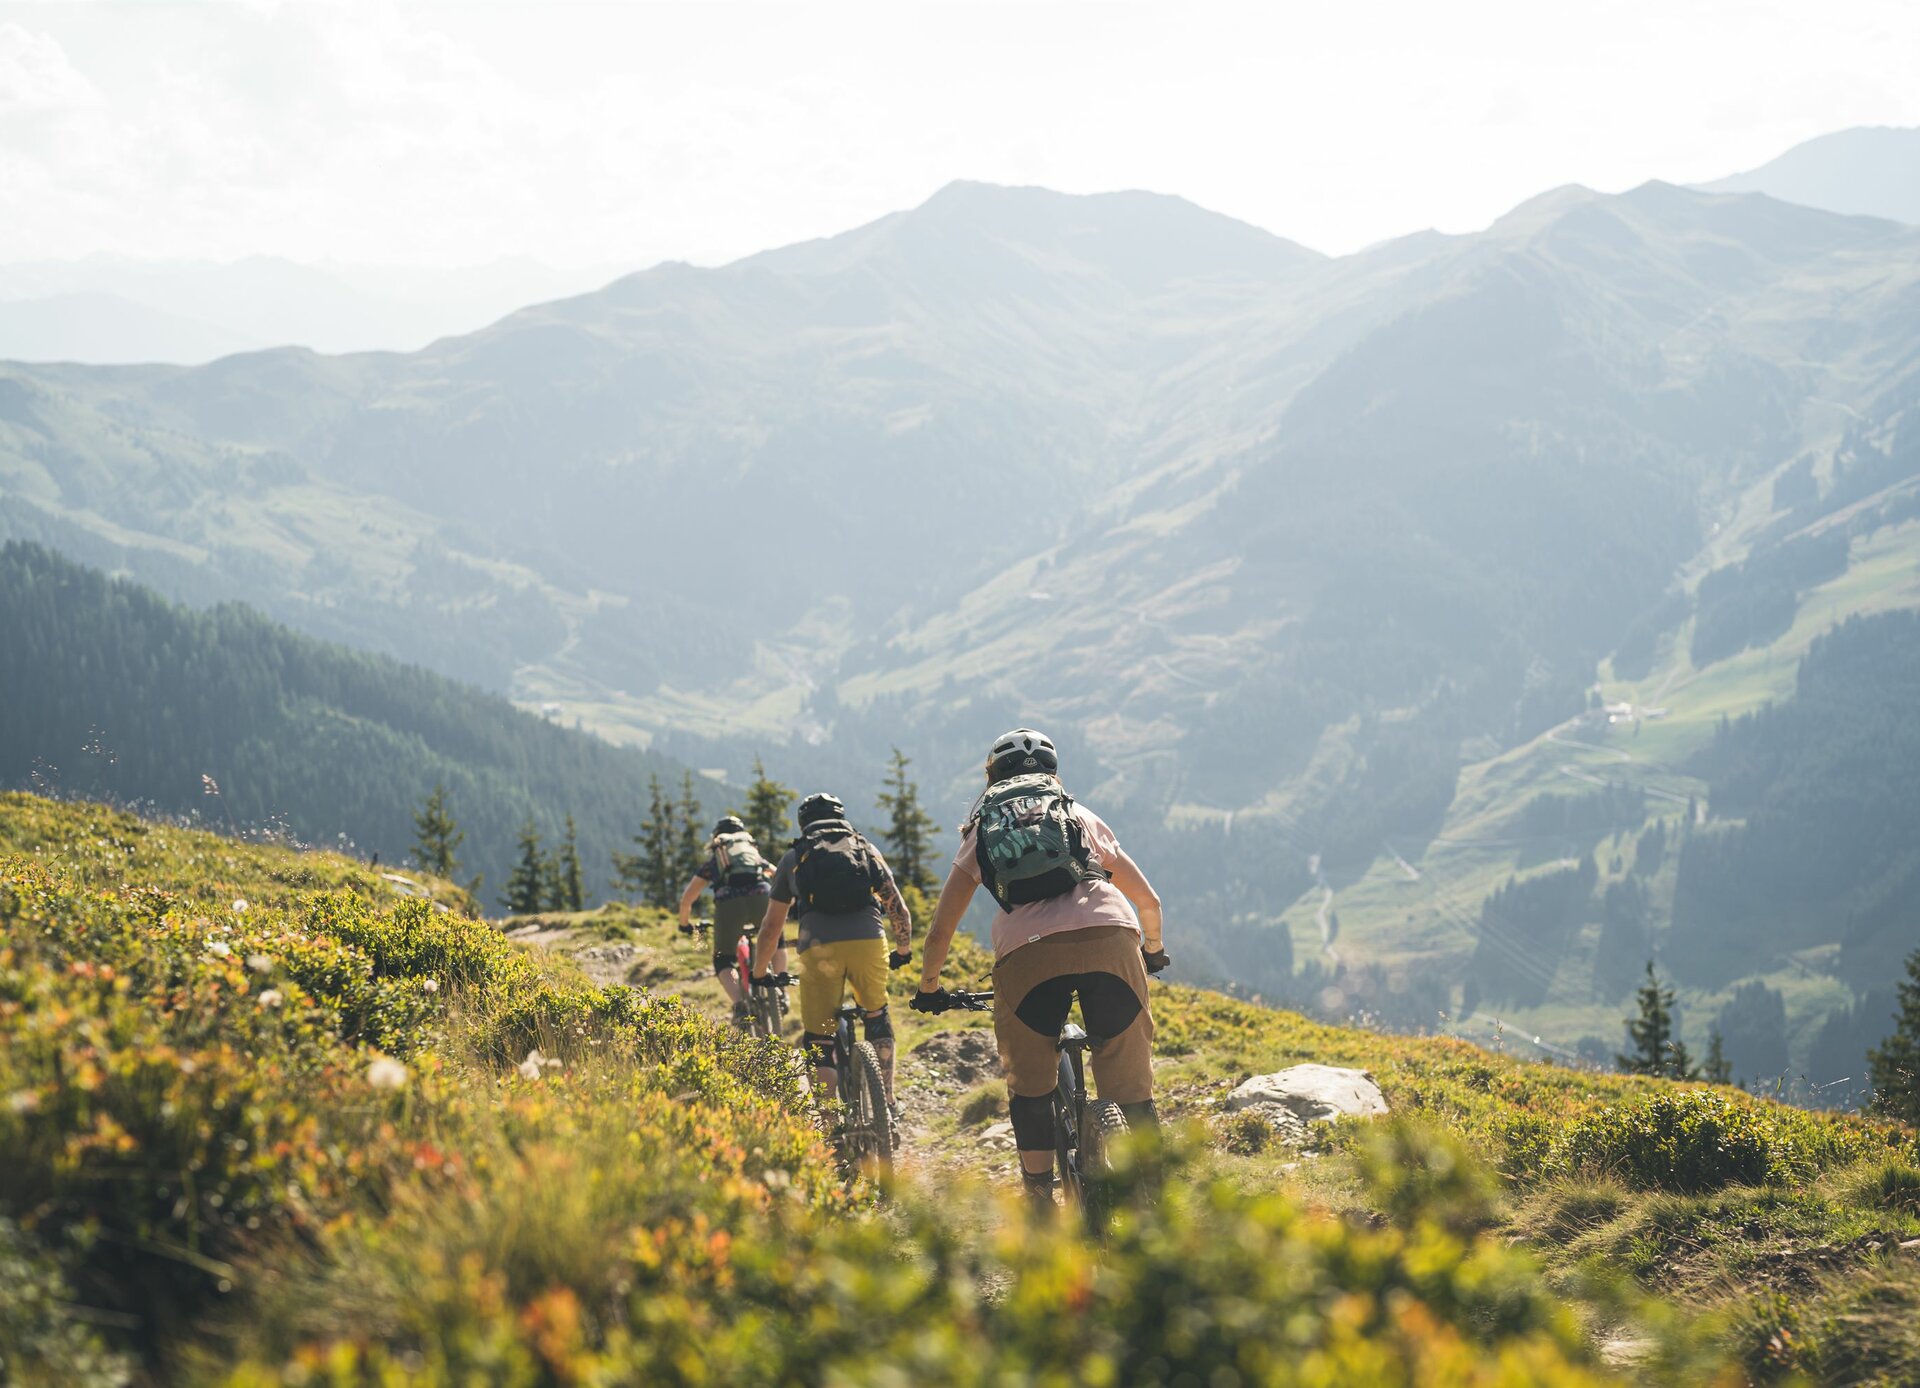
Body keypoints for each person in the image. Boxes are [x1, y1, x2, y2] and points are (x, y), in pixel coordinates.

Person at [913, 728, 1169, 1209]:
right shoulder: (1078, 815)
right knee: (1130, 1082)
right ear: (1052, 772)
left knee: (1030, 1084)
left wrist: (930, 987)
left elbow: (940, 931)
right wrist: (1151, 950)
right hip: (1110, 939)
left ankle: (1038, 1199)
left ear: (992, 778)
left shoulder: (981, 829)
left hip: (1025, 957)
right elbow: (1149, 900)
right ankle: (1153, 1194)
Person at [751, 792, 913, 1102]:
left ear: (804, 825)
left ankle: (830, 1126)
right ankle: (888, 1102)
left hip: (818, 949)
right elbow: (897, 908)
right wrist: (903, 951)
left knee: (819, 1038)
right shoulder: (866, 848)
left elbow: (771, 928)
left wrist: (760, 973)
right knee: (876, 1015)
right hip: (868, 943)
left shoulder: (795, 857)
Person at [678, 815, 779, 1027]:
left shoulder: (716, 859)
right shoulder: (753, 855)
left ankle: (741, 1005)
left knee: (723, 959)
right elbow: (777, 875)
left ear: (717, 839)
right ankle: (781, 987)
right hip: (762, 897)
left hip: (729, 904)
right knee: (776, 939)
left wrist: (685, 924)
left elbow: (688, 897)